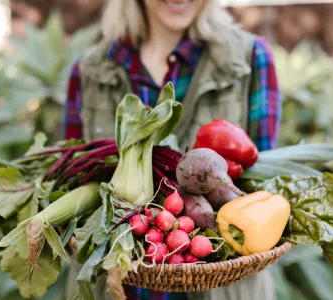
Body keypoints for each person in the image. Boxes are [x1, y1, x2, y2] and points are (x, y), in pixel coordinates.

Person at [62, 0, 281, 299]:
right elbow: (74, 179)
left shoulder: (251, 58)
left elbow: (264, 189)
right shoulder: (88, 71)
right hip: (113, 287)